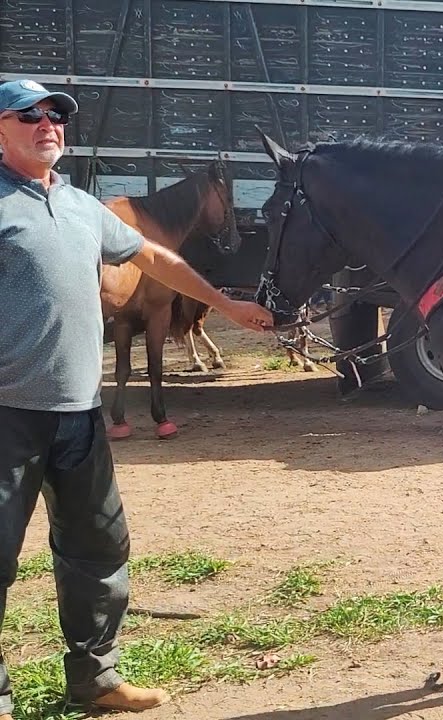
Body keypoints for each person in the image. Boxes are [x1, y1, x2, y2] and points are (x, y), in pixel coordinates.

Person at [0, 78, 273, 718]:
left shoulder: (80, 207)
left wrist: (225, 303)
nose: (48, 125)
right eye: (28, 115)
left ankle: (95, 680)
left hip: (78, 415)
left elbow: (153, 257)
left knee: (98, 547)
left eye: (56, 116)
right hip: (6, 414)